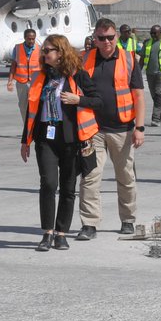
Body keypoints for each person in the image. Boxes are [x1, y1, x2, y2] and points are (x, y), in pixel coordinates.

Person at [20, 35, 99, 251]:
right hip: (45, 137)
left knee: (67, 187)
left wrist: (78, 99)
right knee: (48, 184)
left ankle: (61, 233)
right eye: (43, 51)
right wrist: (25, 140)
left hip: (70, 139)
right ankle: (47, 232)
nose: (44, 54)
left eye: (48, 50)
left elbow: (98, 100)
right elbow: (32, 110)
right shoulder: (41, 76)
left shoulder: (78, 75)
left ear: (61, 52)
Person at [77, 18, 146, 238]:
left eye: (110, 37)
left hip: (122, 129)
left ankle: (128, 219)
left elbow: (138, 96)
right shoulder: (83, 59)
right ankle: (89, 224)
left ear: (116, 36)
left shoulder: (129, 59)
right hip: (92, 129)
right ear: (94, 39)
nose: (106, 42)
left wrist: (140, 127)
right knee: (90, 177)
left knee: (125, 177)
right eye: (101, 38)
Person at [6, 28, 40, 121]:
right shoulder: (17, 48)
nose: (31, 41)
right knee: (23, 105)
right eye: (29, 39)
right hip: (21, 83)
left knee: (35, 105)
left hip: (35, 83)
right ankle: (26, 125)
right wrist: (10, 81)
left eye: (33, 39)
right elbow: (13, 65)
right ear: (24, 38)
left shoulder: (39, 49)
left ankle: (34, 125)